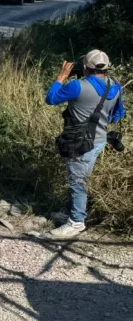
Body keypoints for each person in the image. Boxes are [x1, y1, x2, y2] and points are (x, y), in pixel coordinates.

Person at [46, 50, 125, 239]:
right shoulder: (115, 86)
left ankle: (76, 222)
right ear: (106, 68)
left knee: (77, 182)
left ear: (85, 67)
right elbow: (118, 114)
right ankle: (71, 212)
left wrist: (62, 76)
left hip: (80, 142)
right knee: (81, 176)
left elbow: (51, 98)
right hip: (99, 141)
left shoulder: (77, 86)